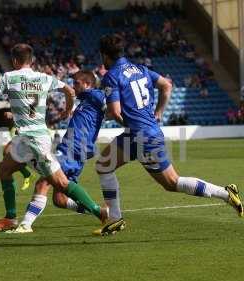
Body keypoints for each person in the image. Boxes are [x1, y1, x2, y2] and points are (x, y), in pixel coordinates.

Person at [96, 34, 243, 234]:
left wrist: (121, 120)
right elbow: (166, 85)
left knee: (170, 182)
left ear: (105, 55)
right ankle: (115, 219)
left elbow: (115, 111)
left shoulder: (111, 76)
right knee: (106, 165)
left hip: (140, 136)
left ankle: (226, 193)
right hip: (144, 133)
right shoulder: (141, 69)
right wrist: (158, 113)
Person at [0, 44, 109, 233]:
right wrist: (68, 108)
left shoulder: (8, 77)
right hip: (29, 136)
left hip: (34, 138)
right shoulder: (44, 78)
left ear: (15, 61)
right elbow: (69, 90)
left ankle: (99, 212)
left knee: (60, 183)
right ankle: (10, 218)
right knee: (5, 168)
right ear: (31, 61)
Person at [8, 71, 125, 234]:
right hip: (76, 151)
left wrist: (123, 112)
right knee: (60, 199)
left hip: (73, 148)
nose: (73, 86)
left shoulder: (95, 95)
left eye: (76, 82)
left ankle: (25, 224)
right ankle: (102, 212)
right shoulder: (86, 101)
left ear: (87, 84)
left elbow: (113, 101)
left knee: (44, 181)